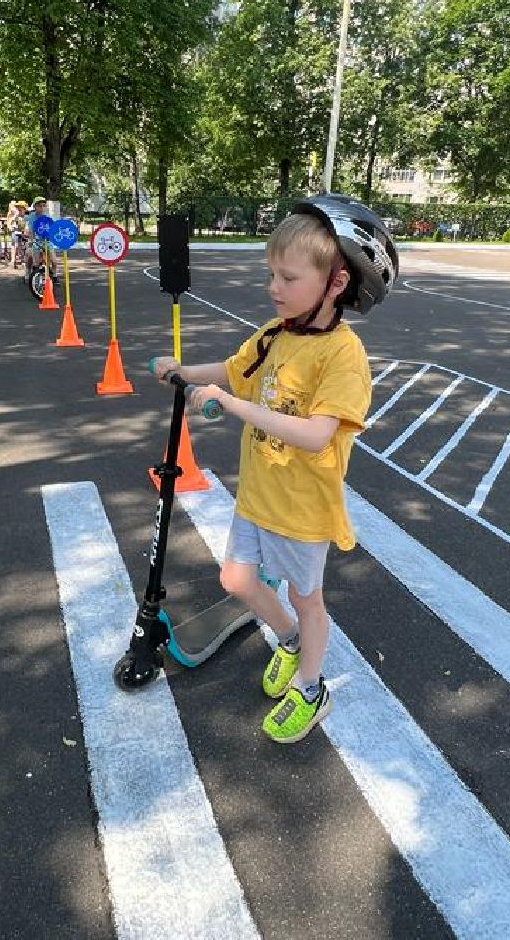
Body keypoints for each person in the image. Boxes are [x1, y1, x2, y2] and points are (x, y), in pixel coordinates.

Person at [150, 194, 398, 744]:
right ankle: (287, 639)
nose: (274, 287)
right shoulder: (275, 333)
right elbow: (234, 370)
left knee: (307, 599)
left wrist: (231, 406)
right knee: (236, 579)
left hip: (303, 509)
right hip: (258, 496)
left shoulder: (342, 355)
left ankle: (311, 688)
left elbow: (316, 434)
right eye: (272, 275)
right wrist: (183, 371)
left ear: (335, 282)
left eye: (287, 277)